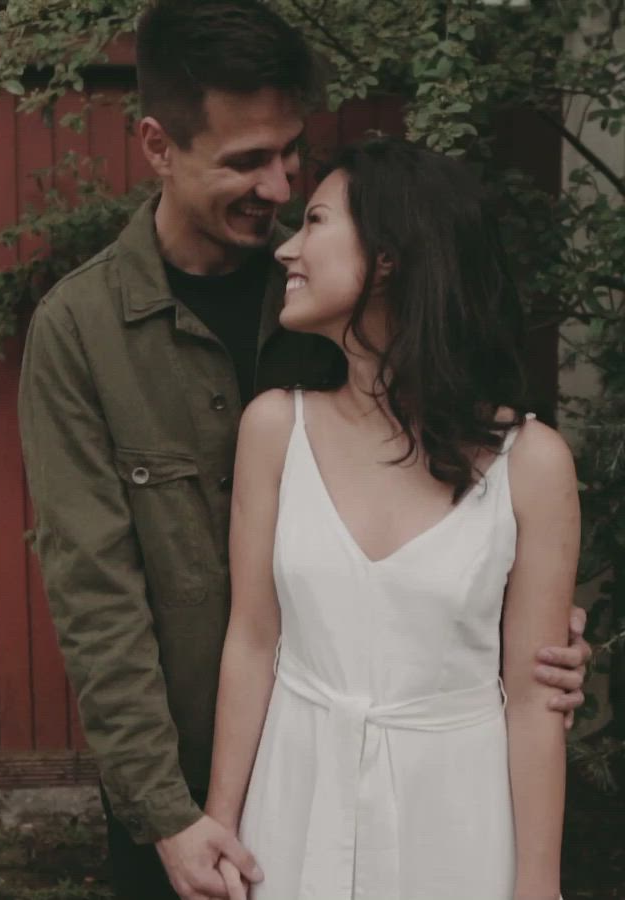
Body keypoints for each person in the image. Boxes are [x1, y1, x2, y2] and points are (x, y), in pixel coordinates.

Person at [18, 2, 590, 898]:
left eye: (291, 155)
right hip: (191, 783)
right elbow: (96, 596)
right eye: (248, 162)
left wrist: (516, 634)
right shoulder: (82, 333)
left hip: (430, 787)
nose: (281, 192)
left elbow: (465, 499)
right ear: (160, 147)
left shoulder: (325, 303)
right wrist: (172, 814)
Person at [206, 137, 580, 900]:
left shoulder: (532, 464)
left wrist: (538, 886)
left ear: (388, 258)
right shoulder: (274, 429)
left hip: (459, 824)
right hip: (293, 806)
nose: (288, 250)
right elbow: (251, 640)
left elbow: (536, 698)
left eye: (314, 221)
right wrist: (221, 823)